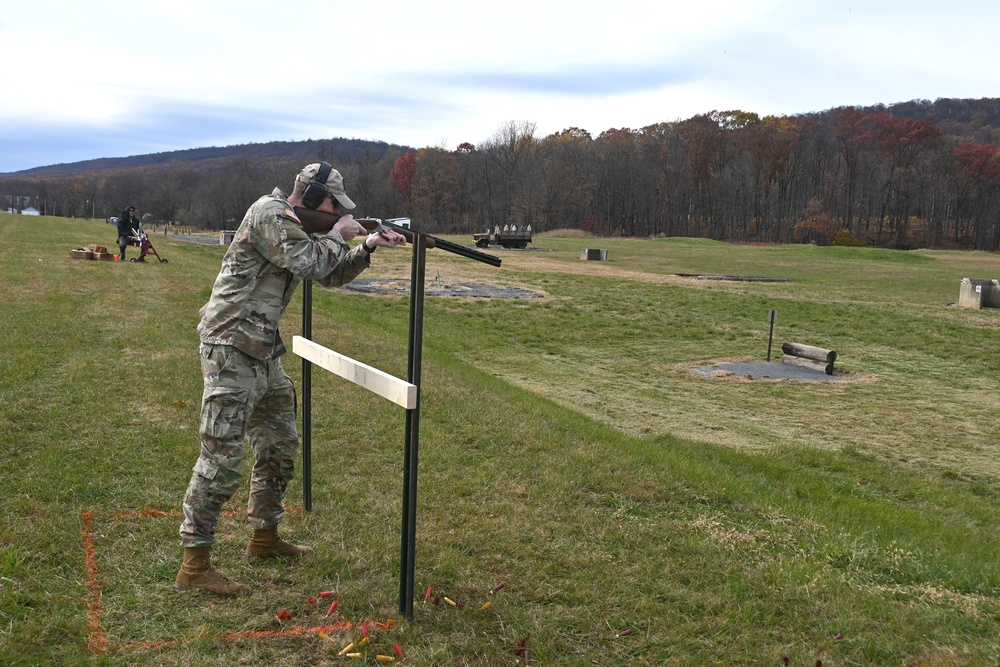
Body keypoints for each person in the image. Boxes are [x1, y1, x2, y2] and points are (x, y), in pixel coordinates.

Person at [175, 162, 407, 597]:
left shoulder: (294, 226)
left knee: (280, 447)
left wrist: (367, 246)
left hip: (263, 349)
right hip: (231, 350)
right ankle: (194, 565)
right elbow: (313, 261)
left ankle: (265, 537)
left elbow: (331, 274)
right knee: (221, 459)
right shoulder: (271, 213)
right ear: (316, 197)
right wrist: (341, 233)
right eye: (335, 207)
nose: (338, 214)